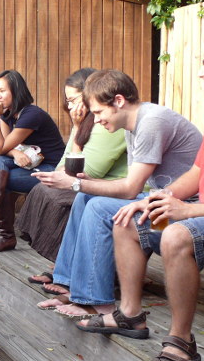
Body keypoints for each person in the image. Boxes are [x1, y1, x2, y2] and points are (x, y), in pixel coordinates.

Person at [76, 34, 204, 361]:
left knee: (175, 236)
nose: (202, 72)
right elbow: (199, 172)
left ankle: (181, 341)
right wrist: (162, 199)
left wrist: (187, 211)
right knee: (128, 219)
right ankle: (130, 314)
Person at [32, 69, 202, 319]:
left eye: (99, 112)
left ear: (119, 101)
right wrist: (87, 183)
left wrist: (74, 184)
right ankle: (70, 283)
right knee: (86, 198)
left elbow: (130, 189)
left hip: (182, 209)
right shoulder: (131, 125)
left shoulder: (152, 121)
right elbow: (133, 184)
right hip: (158, 200)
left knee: (96, 206)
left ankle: (94, 300)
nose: (97, 120)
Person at [16, 68, 128, 262]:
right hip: (94, 182)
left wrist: (76, 134)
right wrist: (76, 128)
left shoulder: (107, 124)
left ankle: (65, 265)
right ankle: (61, 263)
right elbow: (63, 164)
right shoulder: (85, 123)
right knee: (41, 189)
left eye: (74, 99)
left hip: (112, 186)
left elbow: (81, 172)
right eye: (68, 101)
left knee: (56, 196)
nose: (70, 107)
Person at [0, 70, 65, 251]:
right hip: (29, 163)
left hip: (51, 168)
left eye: (2, 91)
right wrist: (15, 153)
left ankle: (0, 227)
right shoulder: (8, 115)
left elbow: (0, 147)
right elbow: (4, 149)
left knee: (1, 179)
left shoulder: (32, 114)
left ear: (16, 90)